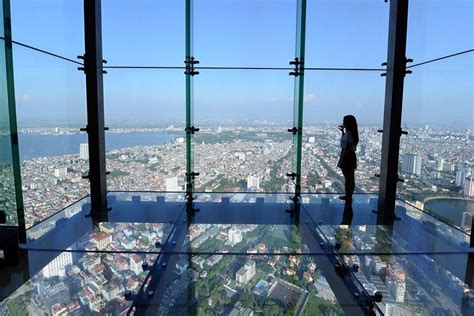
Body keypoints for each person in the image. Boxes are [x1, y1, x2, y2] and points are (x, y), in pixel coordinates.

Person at [337, 115, 359, 202]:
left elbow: (346, 147)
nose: (343, 123)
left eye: (344, 121)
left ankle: (348, 196)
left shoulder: (349, 133)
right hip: (350, 155)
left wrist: (342, 159)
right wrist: (343, 132)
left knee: (348, 179)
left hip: (347, 156)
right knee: (350, 177)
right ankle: (349, 196)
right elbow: (346, 143)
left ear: (348, 123)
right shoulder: (351, 133)